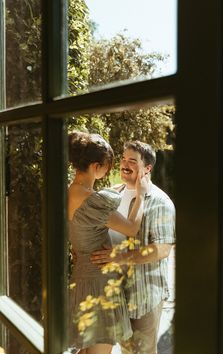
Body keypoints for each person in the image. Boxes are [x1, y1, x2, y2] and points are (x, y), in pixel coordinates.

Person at [91, 140, 176, 354]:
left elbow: (161, 250)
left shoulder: (160, 202)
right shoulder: (112, 193)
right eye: (123, 159)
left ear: (147, 169)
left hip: (143, 296)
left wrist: (116, 256)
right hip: (112, 292)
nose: (124, 164)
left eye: (132, 161)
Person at [68, 132, 149, 354]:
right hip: (98, 282)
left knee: (83, 351)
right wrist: (141, 196)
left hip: (80, 279)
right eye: (107, 165)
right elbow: (132, 227)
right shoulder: (92, 201)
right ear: (96, 166)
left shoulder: (69, 191)